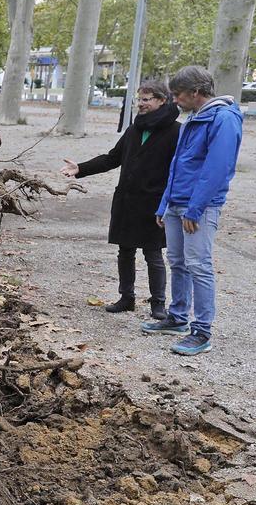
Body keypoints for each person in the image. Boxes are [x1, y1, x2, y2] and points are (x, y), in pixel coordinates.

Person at [140, 65, 243, 356]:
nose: (174, 100)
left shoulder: (223, 119)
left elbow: (217, 169)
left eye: (177, 94)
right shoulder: (195, 117)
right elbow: (178, 165)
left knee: (199, 265)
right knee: (178, 262)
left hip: (199, 207)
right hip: (177, 204)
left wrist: (195, 209)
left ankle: (202, 331)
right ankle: (178, 317)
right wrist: (166, 203)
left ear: (196, 92)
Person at [60, 79, 180, 320]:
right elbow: (112, 158)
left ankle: (158, 303)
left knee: (153, 254)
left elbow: (180, 171)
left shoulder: (176, 131)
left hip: (154, 204)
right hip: (126, 201)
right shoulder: (134, 129)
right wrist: (80, 168)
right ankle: (127, 298)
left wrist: (170, 204)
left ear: (161, 100)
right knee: (125, 251)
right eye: (139, 99)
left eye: (146, 99)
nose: (141, 104)